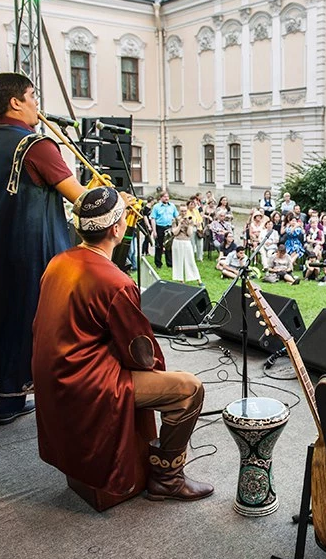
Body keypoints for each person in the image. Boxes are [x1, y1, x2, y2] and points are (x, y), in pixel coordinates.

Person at [32, 187, 213, 502]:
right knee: (189, 390)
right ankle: (168, 479)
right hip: (87, 384)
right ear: (117, 229)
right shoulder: (115, 282)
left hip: (52, 377)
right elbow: (140, 352)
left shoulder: (58, 262)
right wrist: (157, 371)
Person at [0, 72, 85, 424]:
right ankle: (63, 393)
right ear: (15, 102)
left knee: (13, 319)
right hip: (35, 249)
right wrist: (116, 200)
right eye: (33, 97)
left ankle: (9, 399)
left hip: (0, 245)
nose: (37, 105)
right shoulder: (35, 146)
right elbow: (80, 198)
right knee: (44, 321)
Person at [170, 211, 202, 285]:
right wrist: (180, 224)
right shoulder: (175, 220)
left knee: (190, 260)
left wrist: (190, 225)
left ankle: (197, 279)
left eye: (185, 211)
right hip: (177, 241)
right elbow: (174, 232)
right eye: (182, 211)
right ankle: (180, 279)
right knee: (178, 261)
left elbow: (189, 234)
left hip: (186, 241)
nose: (183, 213)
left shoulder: (189, 220)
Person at [151, 191, 178, 269]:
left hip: (169, 227)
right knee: (159, 246)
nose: (166, 198)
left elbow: (176, 217)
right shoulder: (156, 207)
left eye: (167, 197)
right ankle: (158, 264)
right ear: (161, 197)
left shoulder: (172, 206)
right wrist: (154, 231)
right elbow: (153, 218)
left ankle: (169, 263)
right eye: (165, 197)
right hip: (160, 227)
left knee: (169, 246)